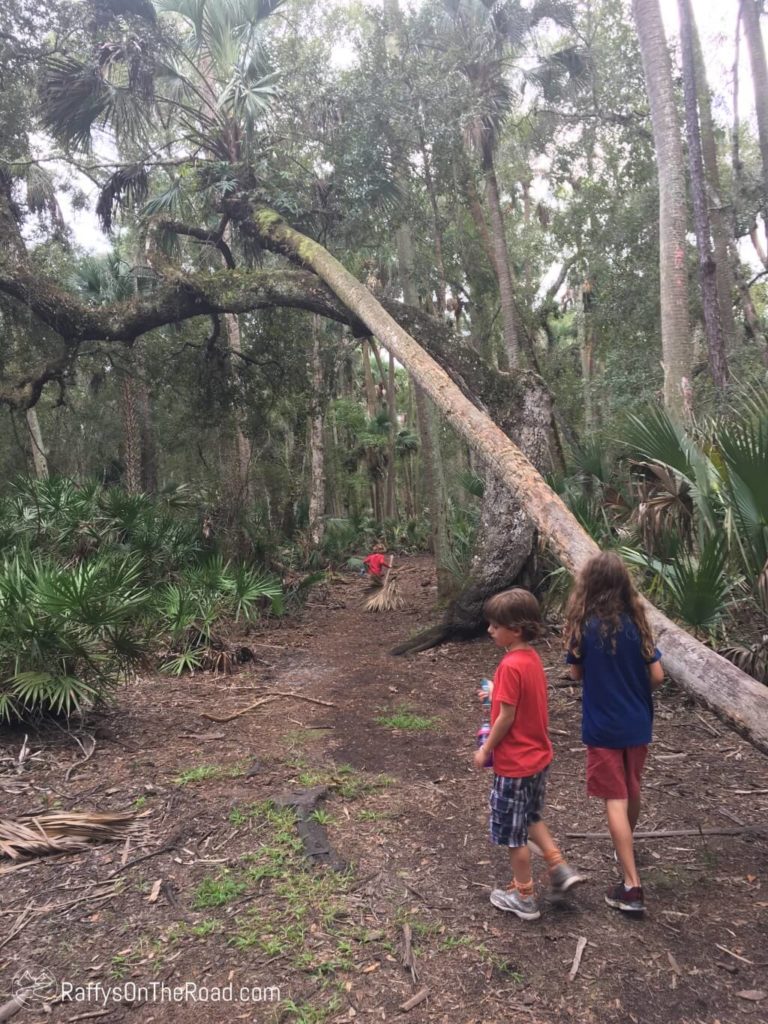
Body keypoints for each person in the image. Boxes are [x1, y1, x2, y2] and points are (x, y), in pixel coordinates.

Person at [563, 551, 665, 915]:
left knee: (615, 799)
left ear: (588, 585)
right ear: (624, 584)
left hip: (603, 725)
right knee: (631, 789)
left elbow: (575, 674)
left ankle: (631, 885)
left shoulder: (583, 627)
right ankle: (626, 855)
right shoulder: (637, 623)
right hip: (638, 722)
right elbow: (657, 676)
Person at [474, 588, 584, 921]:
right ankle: (558, 867)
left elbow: (506, 716)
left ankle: (523, 896)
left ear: (516, 629)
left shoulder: (508, 665)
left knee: (512, 832)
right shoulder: (530, 658)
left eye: (496, 625)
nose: (490, 631)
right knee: (532, 816)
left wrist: (485, 750)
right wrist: (495, 693)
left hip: (515, 763)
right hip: (538, 758)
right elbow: (518, 700)